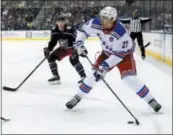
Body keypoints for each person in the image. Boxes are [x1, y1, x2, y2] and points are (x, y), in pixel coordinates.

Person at [65, 6, 162, 113]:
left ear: (113, 19)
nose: (103, 21)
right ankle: (77, 96)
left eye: (106, 19)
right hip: (107, 53)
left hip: (124, 55)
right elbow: (82, 30)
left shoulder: (121, 32)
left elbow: (118, 55)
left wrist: (104, 67)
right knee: (94, 75)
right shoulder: (96, 23)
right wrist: (79, 43)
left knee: (129, 79)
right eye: (102, 18)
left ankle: (150, 100)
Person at [43, 15, 86, 84]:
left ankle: (83, 77)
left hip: (72, 48)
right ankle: (56, 77)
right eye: (59, 22)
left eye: (62, 21)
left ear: (65, 22)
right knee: (51, 58)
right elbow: (53, 42)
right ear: (56, 22)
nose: (61, 23)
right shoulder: (54, 30)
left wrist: (81, 48)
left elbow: (78, 39)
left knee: (73, 59)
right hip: (63, 48)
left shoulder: (70, 29)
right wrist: (48, 49)